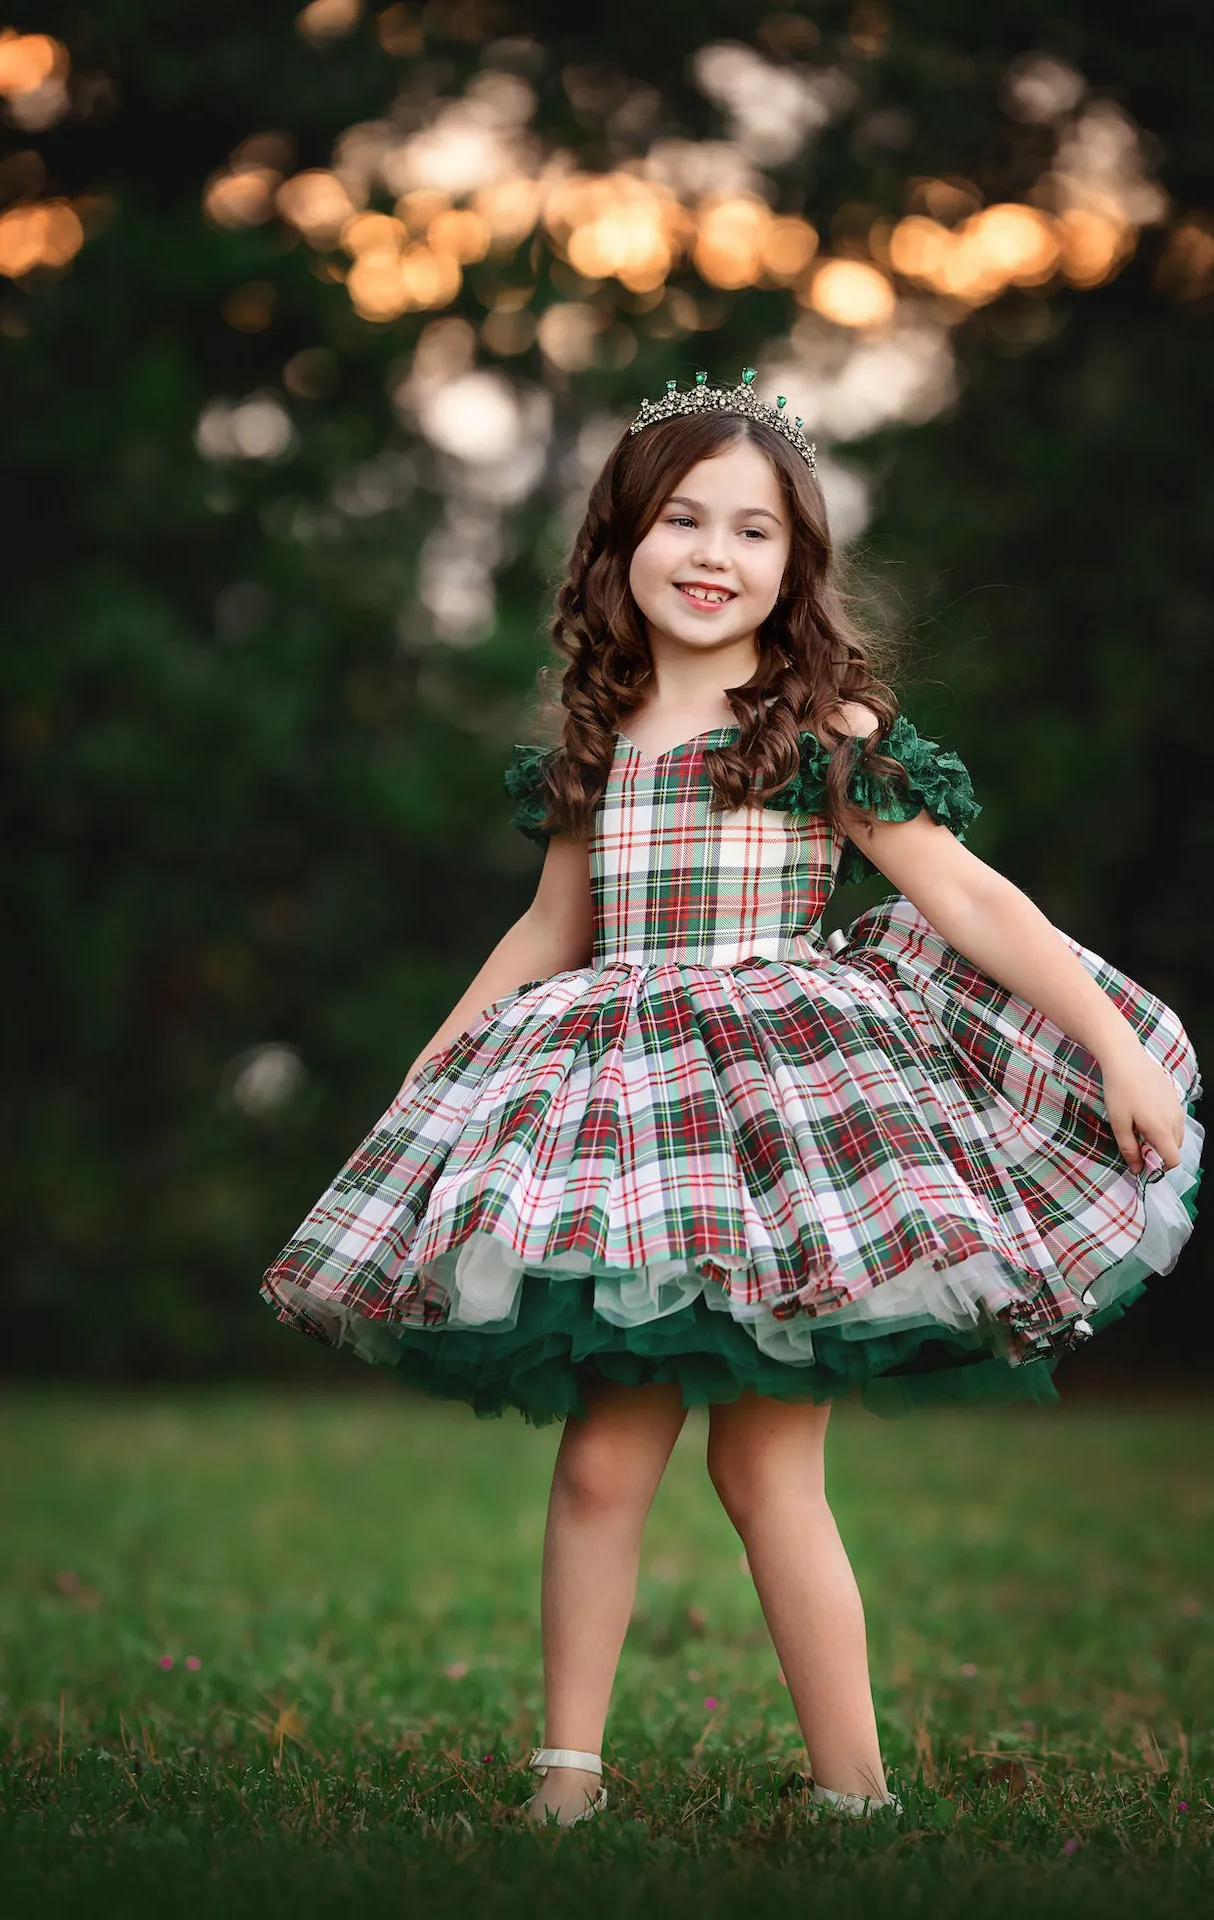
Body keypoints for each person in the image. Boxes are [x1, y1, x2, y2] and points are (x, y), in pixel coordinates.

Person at [260, 370, 1203, 1830]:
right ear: (618, 545)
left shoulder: (818, 726)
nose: (713, 553)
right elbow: (546, 930)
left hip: (782, 1119)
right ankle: (564, 1779)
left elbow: (962, 897)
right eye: (681, 519)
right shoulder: (599, 732)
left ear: (793, 565)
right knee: (601, 1458)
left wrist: (1107, 1040)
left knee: (769, 1469)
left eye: (752, 530)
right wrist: (439, 1066)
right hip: (628, 1127)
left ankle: (853, 1793)